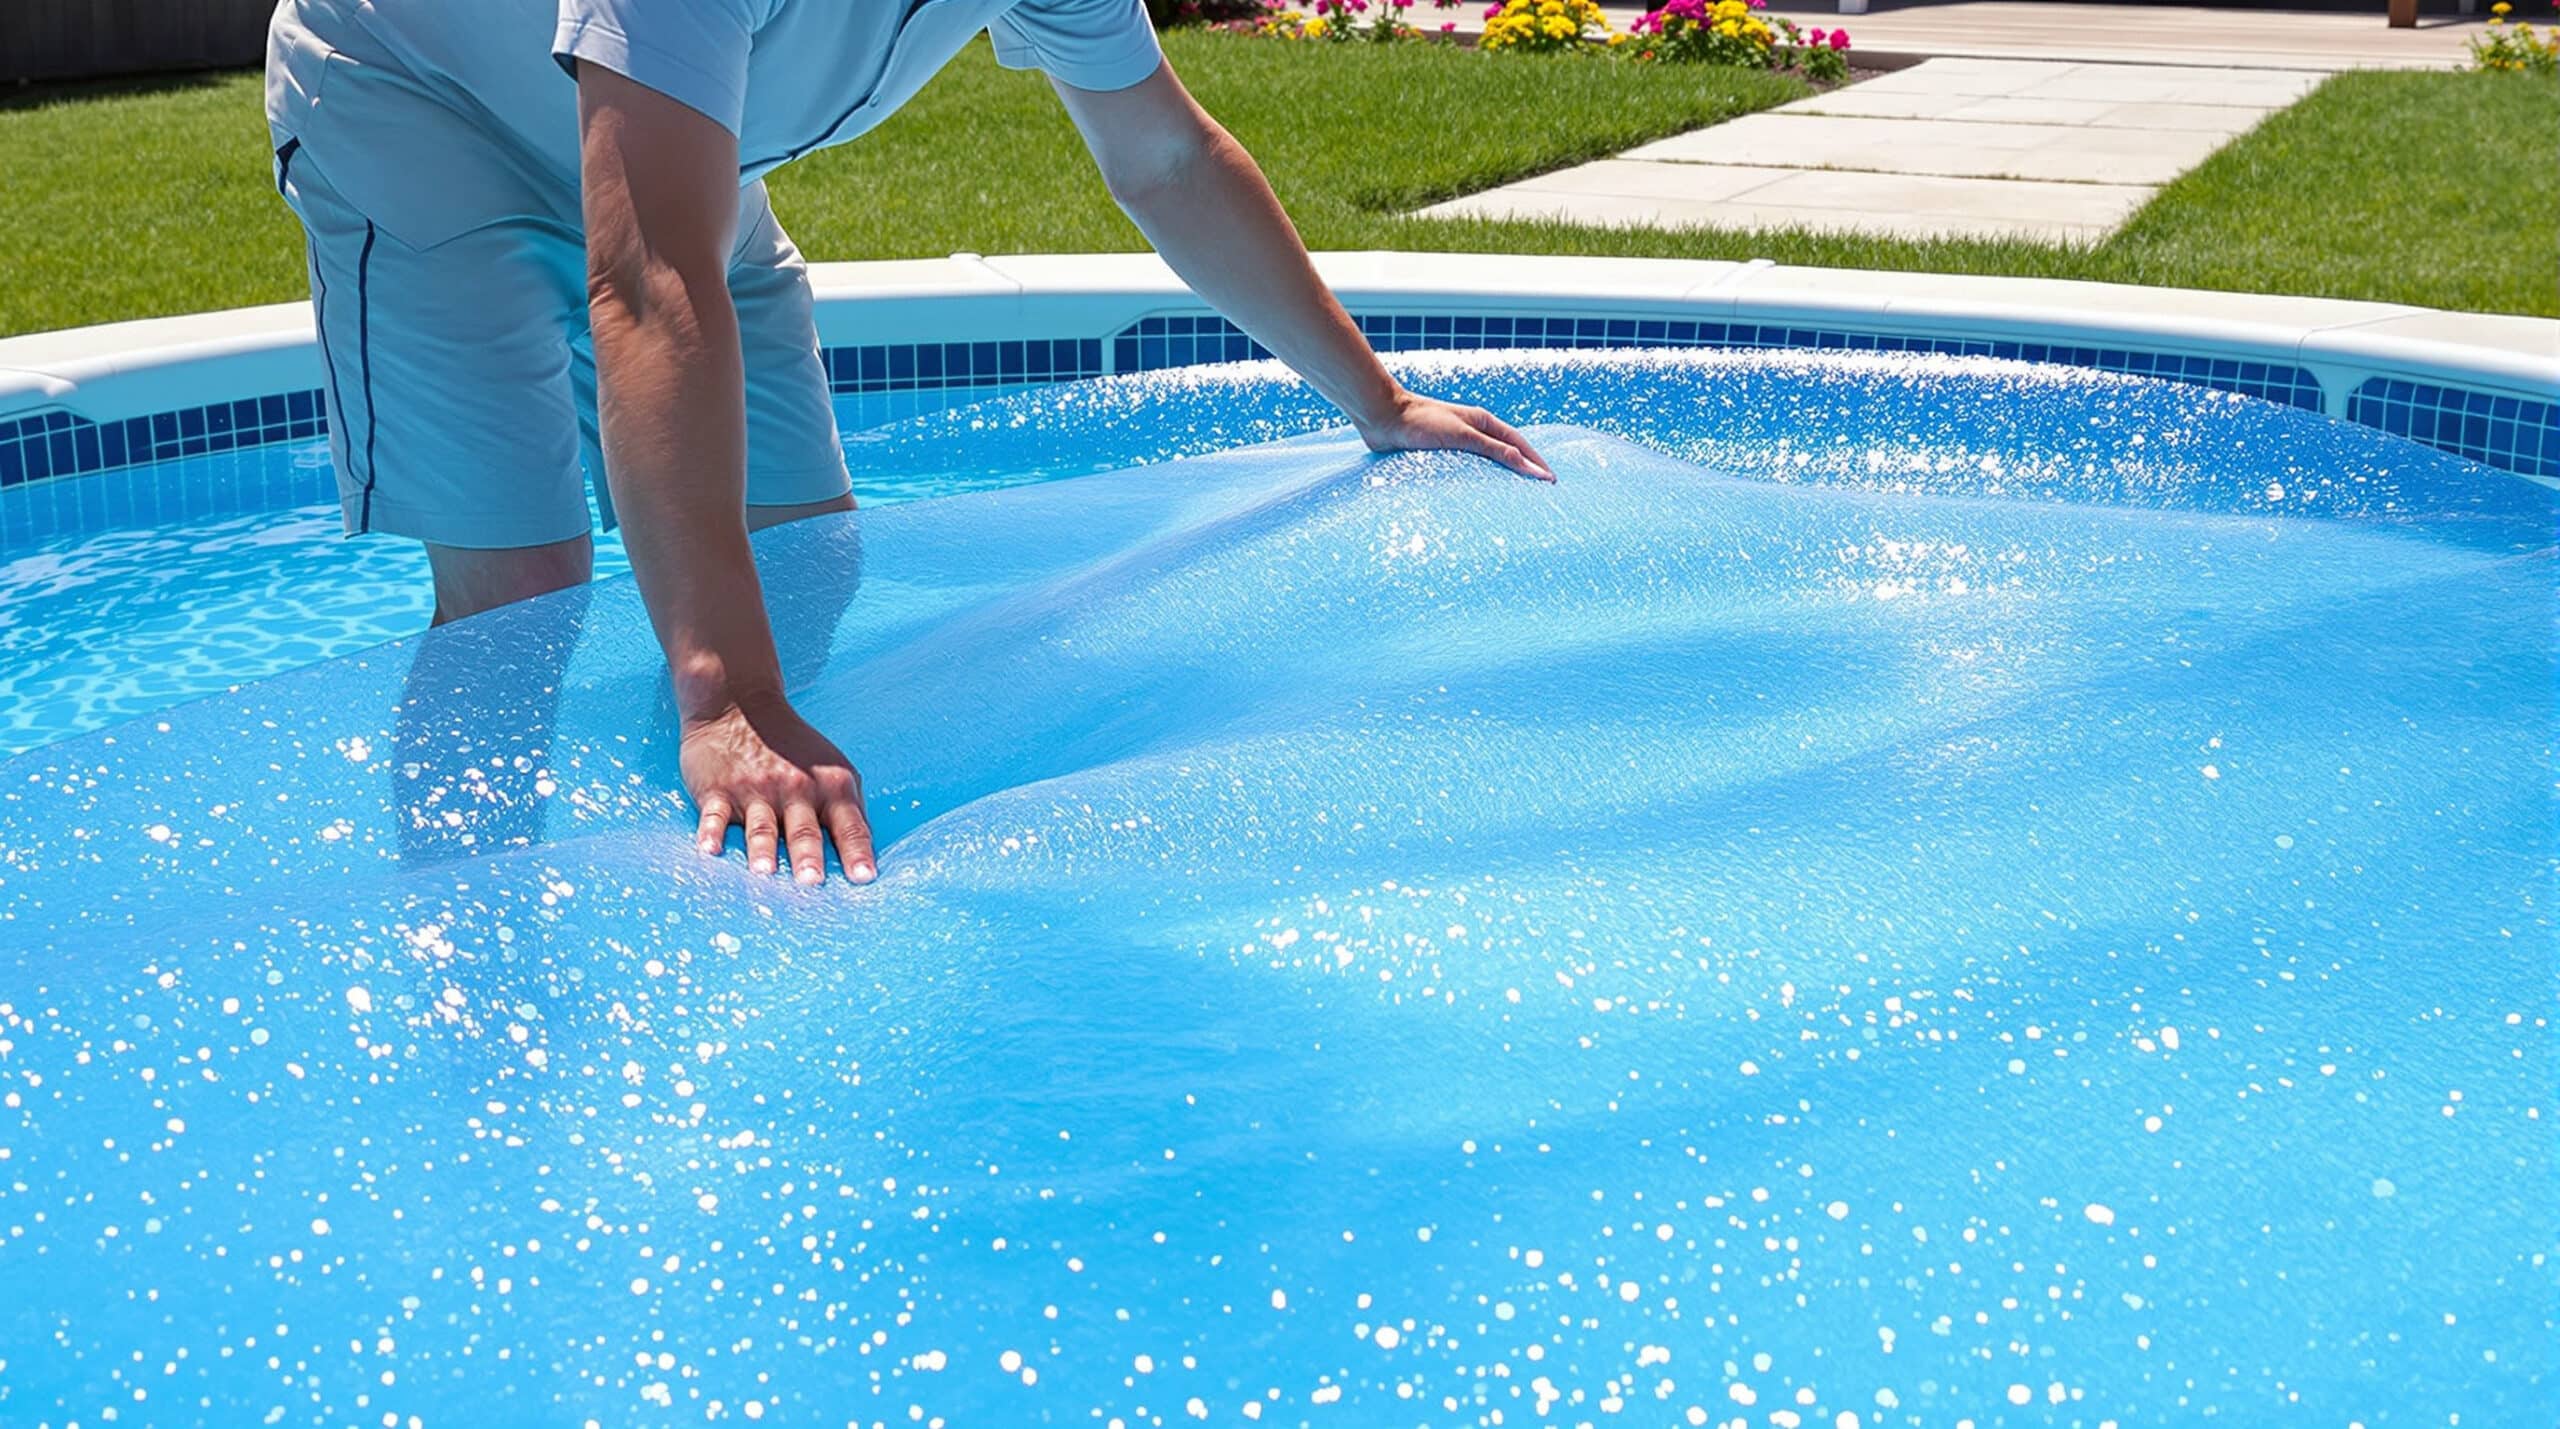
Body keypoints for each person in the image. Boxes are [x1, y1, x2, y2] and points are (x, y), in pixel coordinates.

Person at [265, 0, 1553, 889]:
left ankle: (713, 850)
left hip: (666, 137)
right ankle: (466, 958)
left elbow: (1165, 157)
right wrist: (725, 693)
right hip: (424, 112)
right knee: (525, 588)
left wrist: (1376, 404)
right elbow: (649, 278)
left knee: (807, 560)